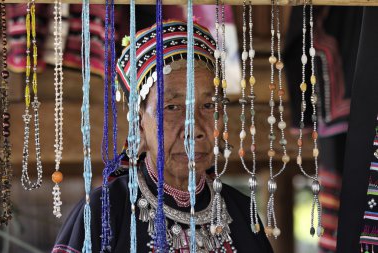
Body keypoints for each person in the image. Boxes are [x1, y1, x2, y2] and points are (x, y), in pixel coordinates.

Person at [52, 20, 273, 253]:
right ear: (138, 124)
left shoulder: (242, 212)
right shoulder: (103, 213)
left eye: (209, 105)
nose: (194, 129)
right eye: (171, 107)